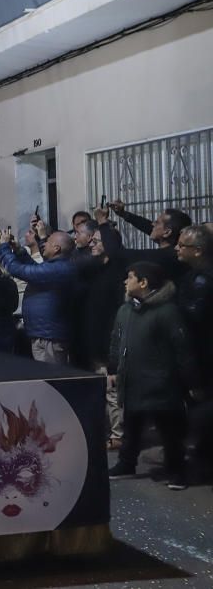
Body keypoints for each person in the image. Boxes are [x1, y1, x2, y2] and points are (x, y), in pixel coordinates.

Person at [108, 262, 195, 490]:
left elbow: (182, 348)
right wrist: (113, 367)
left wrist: (189, 379)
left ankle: (176, 470)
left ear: (143, 283)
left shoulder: (167, 312)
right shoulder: (125, 310)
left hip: (161, 382)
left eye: (130, 277)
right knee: (132, 426)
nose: (126, 282)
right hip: (133, 379)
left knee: (169, 431)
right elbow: (117, 340)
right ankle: (127, 462)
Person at [0, 225, 78, 364]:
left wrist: (3, 246)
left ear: (57, 248)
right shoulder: (56, 266)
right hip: (45, 334)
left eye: (48, 242)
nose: (43, 244)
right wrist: (18, 251)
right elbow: (35, 269)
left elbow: (17, 269)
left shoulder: (58, 269)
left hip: (49, 337)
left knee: (53, 380)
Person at [76, 229, 127, 447]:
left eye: (96, 241)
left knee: (112, 390)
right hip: (94, 340)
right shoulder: (96, 270)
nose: (91, 244)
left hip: (109, 341)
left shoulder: (117, 274)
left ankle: (118, 435)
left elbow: (116, 313)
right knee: (103, 388)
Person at [174, 225, 213, 476]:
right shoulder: (190, 276)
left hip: (204, 358)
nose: (177, 248)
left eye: (182, 245)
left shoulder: (204, 280)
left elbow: (194, 317)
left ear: (197, 251)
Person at [96, 201, 191, 282]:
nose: (152, 224)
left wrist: (102, 222)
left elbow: (117, 254)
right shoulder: (175, 250)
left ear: (167, 232)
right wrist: (124, 214)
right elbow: (148, 226)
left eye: (156, 222)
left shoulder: (165, 256)